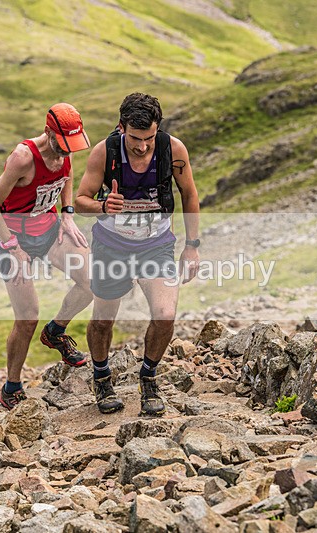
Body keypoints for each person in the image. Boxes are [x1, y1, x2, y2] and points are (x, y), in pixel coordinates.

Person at [75, 93, 200, 416]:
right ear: (121, 128)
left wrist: (192, 246)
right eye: (134, 138)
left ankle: (148, 377)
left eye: (148, 138)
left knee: (164, 314)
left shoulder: (172, 149)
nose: (142, 146)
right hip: (111, 245)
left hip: (155, 246)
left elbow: (189, 193)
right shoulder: (105, 151)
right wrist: (103, 206)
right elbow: (81, 200)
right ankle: (102, 378)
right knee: (103, 319)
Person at [0, 103, 93, 410]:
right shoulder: (23, 158)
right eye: (63, 144)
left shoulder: (65, 151)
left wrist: (68, 214)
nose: (68, 151)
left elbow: (67, 176)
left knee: (93, 281)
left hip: (49, 231)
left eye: (73, 145)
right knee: (27, 317)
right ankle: (12, 386)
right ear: (48, 132)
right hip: (13, 238)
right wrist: (12, 247)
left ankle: (56, 332)